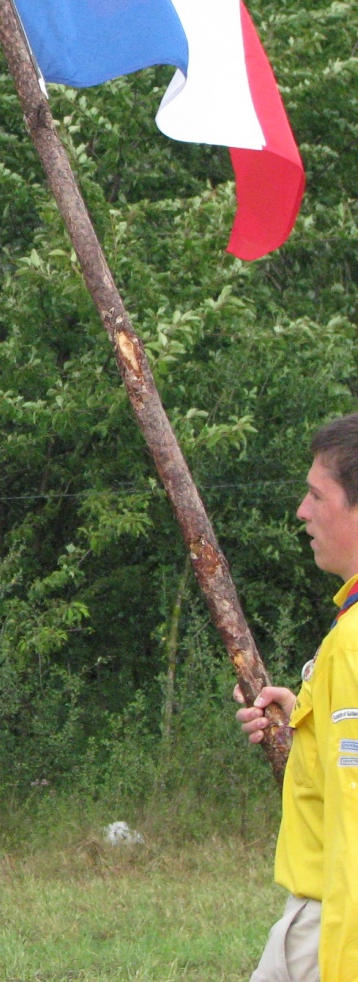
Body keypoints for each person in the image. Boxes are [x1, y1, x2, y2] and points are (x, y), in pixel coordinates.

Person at [237, 414, 358, 982]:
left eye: (316, 495)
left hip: (332, 929)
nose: (301, 511)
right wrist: (306, 722)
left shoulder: (353, 642)